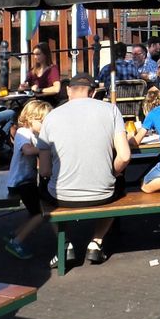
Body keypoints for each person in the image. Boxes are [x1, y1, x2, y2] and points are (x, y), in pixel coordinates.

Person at [36, 73, 131, 267]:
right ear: (93, 92)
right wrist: (111, 173)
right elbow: (125, 156)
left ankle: (66, 244)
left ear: (68, 91)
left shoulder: (51, 117)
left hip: (61, 195)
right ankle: (96, 242)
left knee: (41, 190)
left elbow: (44, 170)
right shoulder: (111, 111)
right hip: (102, 193)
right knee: (118, 185)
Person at [4, 99, 53, 259]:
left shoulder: (33, 133)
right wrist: (45, 147)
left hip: (26, 180)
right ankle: (17, 241)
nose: (45, 125)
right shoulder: (23, 133)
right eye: (42, 122)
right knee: (42, 213)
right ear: (30, 119)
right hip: (21, 182)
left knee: (34, 212)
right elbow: (27, 151)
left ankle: (14, 234)